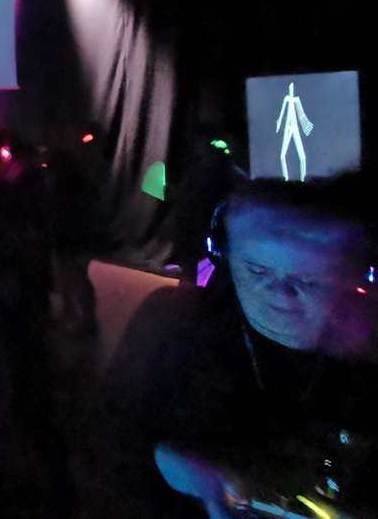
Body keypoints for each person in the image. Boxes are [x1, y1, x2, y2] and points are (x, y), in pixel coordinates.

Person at [98, 172, 378, 517]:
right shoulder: (173, 324)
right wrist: (171, 463)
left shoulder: (364, 353)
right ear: (225, 257)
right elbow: (111, 437)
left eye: (308, 280)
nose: (280, 293)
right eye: (258, 271)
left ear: (353, 277)